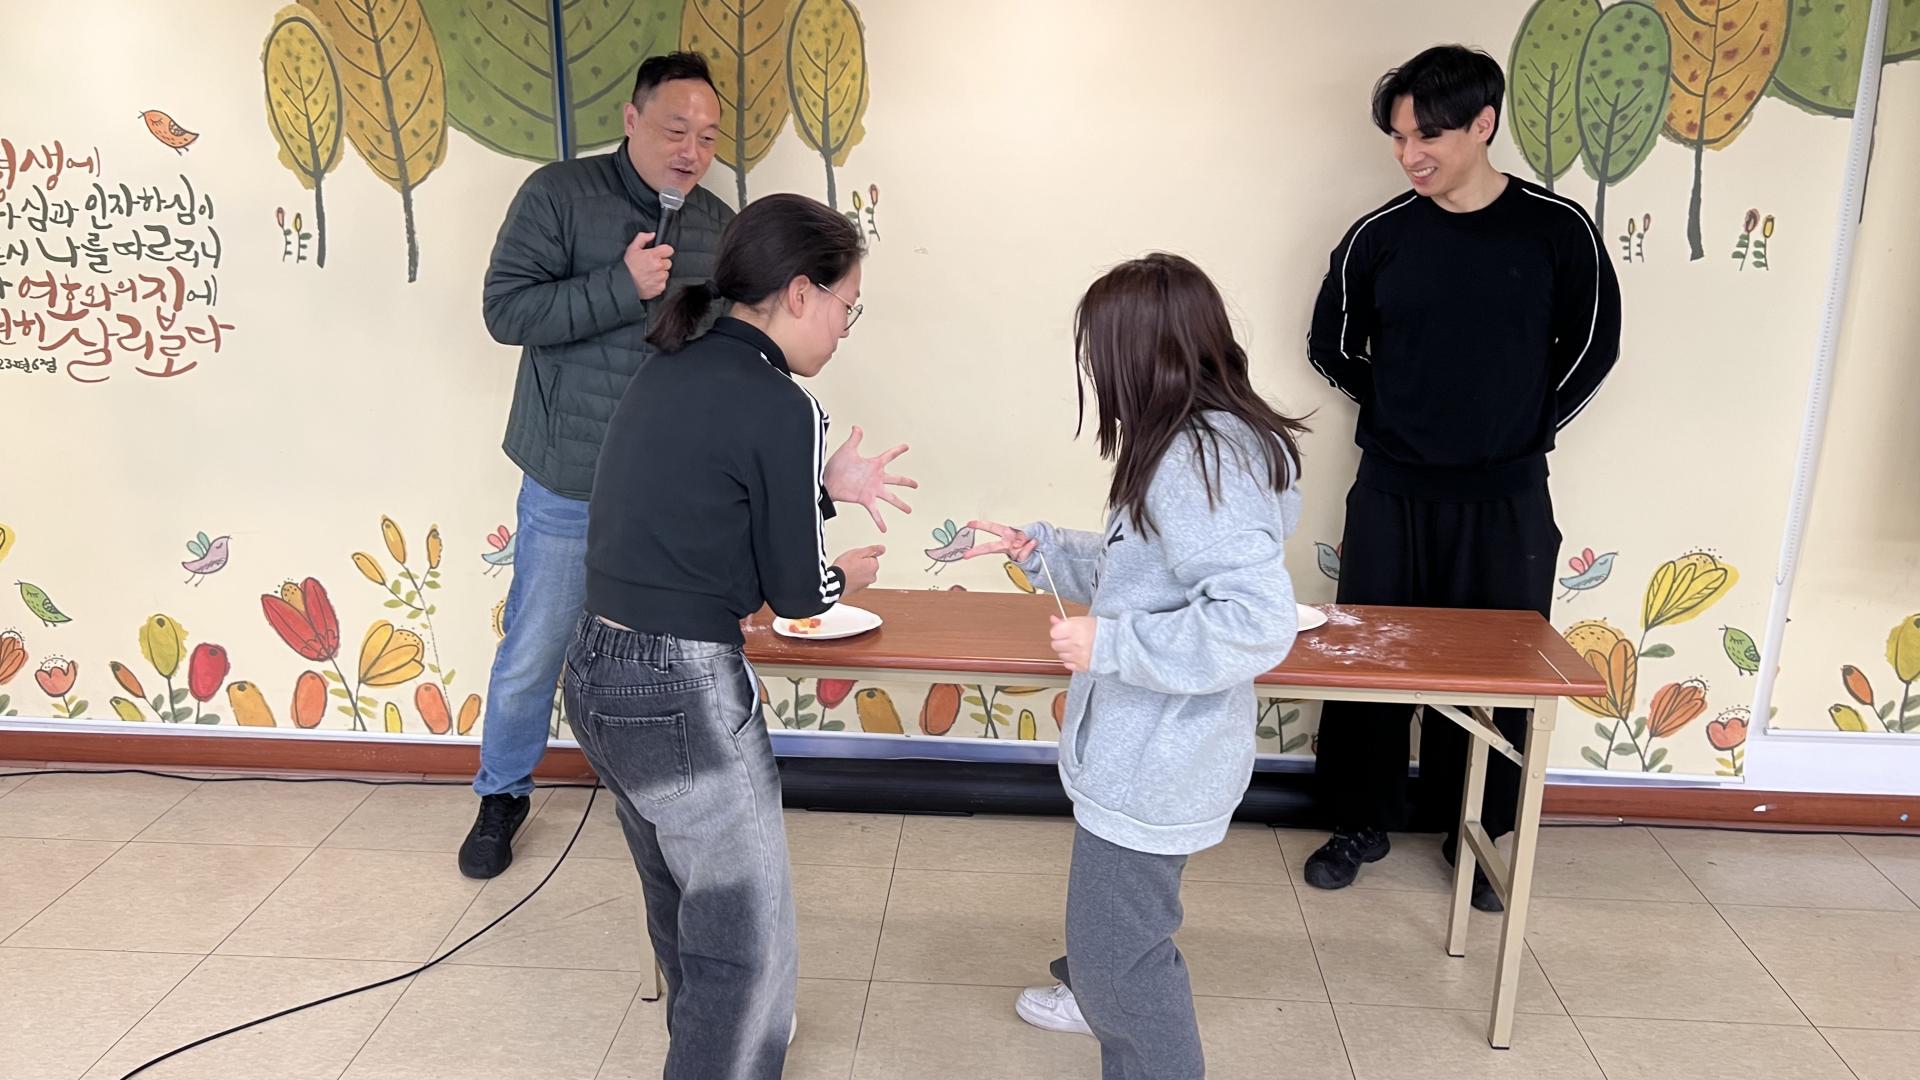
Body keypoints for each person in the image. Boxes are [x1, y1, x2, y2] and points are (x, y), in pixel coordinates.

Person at [460, 52, 906, 878]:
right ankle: (502, 793)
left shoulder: (718, 225)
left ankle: (657, 791)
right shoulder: (557, 196)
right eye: (675, 129)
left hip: (669, 493)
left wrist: (811, 483)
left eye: (707, 137)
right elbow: (504, 311)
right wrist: (619, 285)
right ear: (631, 120)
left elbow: (731, 377)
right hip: (569, 475)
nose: (692, 150)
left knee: (672, 654)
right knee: (536, 645)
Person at [567, 192, 909, 1078]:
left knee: (685, 908)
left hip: (596, 672)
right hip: (680, 690)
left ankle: (710, 1049)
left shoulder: (671, 363)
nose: (843, 331)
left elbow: (704, 517)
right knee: (744, 947)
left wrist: (819, 488)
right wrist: (847, 575)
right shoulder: (783, 405)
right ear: (800, 293)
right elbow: (796, 595)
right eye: (846, 308)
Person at [968, 253, 1307, 1078]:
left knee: (1123, 969)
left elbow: (1256, 622)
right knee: (1110, 938)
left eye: (1100, 353)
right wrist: (1046, 551)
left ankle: (1105, 996)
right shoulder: (1203, 442)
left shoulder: (1194, 464)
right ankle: (1092, 984)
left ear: (1141, 355)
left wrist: (1113, 646)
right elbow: (1149, 569)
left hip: (1154, 764)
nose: (1096, 371)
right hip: (1151, 753)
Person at [1302, 45, 1621, 910]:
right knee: (1371, 654)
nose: (1410, 155)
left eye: (1428, 136)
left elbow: (1594, 347)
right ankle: (1359, 820)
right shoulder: (1379, 237)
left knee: (1498, 669)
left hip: (1506, 496)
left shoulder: (1558, 231)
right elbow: (1330, 344)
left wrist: (1522, 426)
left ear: (1483, 125)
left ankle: (1474, 828)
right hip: (1392, 489)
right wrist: (1400, 411)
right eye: (1399, 137)